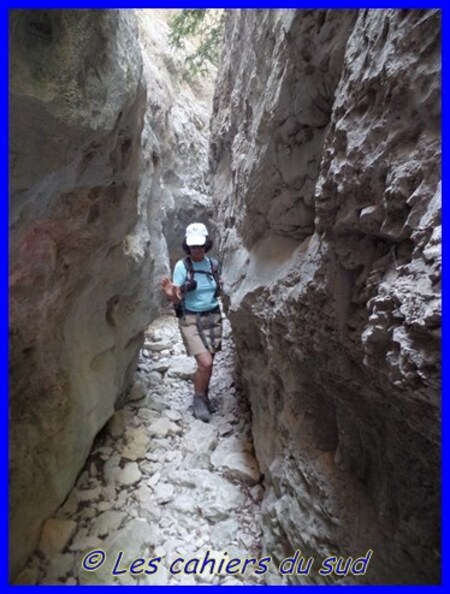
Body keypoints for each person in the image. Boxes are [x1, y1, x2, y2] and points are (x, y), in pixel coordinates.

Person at [161, 222, 223, 423]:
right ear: (187, 246)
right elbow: (177, 296)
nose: (197, 249)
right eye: (193, 246)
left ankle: (204, 395)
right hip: (190, 319)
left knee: (209, 364)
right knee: (206, 362)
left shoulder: (213, 265)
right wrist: (173, 295)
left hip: (213, 317)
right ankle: (198, 400)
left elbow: (216, 290)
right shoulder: (182, 266)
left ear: (207, 244)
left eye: (200, 245)